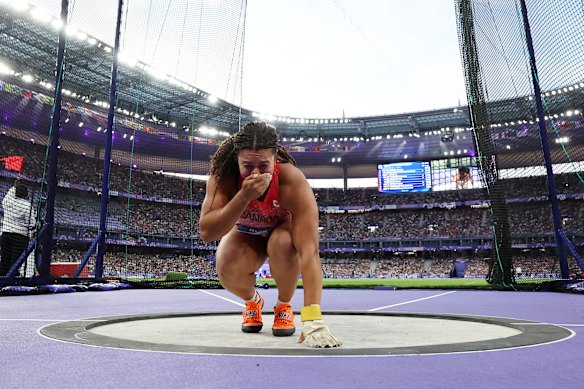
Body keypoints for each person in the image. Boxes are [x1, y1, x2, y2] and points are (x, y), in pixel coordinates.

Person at [199, 121, 341, 348]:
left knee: (282, 243)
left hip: (281, 229)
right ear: (236, 160)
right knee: (226, 262)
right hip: (246, 233)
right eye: (247, 165)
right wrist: (244, 196)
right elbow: (207, 232)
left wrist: (313, 316)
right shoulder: (222, 178)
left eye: (264, 165)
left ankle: (284, 306)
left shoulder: (291, 180)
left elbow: (309, 250)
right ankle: (253, 302)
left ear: (276, 160)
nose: (255, 173)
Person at [0, 180, 36, 277]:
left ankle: (2, 283)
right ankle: (11, 285)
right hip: (20, 237)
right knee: (15, 263)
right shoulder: (27, 205)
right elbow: (32, 224)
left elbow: (8, 194)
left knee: (4, 262)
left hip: (6, 235)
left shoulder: (8, 201)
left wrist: (14, 186)